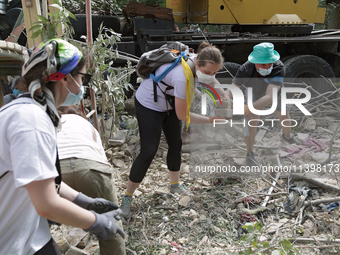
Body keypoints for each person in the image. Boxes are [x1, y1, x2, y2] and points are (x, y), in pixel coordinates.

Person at [0, 38, 124, 255]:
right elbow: (46, 204)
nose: (82, 86)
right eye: (82, 78)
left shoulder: (32, 113)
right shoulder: (31, 120)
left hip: (30, 238)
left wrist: (83, 201)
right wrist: (96, 222)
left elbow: (43, 180)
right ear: (65, 79)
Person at [120, 42, 227, 217]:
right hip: (149, 104)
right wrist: (210, 120)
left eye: (214, 72)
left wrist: (225, 95)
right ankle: (127, 197)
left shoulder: (196, 61)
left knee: (175, 143)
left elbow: (212, 80)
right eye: (207, 72)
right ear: (198, 63)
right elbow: (183, 115)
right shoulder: (181, 76)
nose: (210, 76)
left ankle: (175, 185)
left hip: (169, 103)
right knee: (148, 151)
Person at [57, 105, 126, 255]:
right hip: (91, 166)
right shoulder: (87, 125)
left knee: (38, 225)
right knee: (110, 220)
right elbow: (101, 158)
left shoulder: (48, 123)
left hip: (57, 171)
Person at [225, 42, 301, 167]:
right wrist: (225, 98)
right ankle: (250, 152)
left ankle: (287, 136)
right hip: (253, 91)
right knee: (252, 119)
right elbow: (233, 87)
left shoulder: (278, 67)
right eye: (263, 64)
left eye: (269, 63)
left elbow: (269, 97)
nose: (267, 67)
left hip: (274, 91)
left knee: (283, 114)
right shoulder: (246, 68)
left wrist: (247, 109)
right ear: (255, 62)